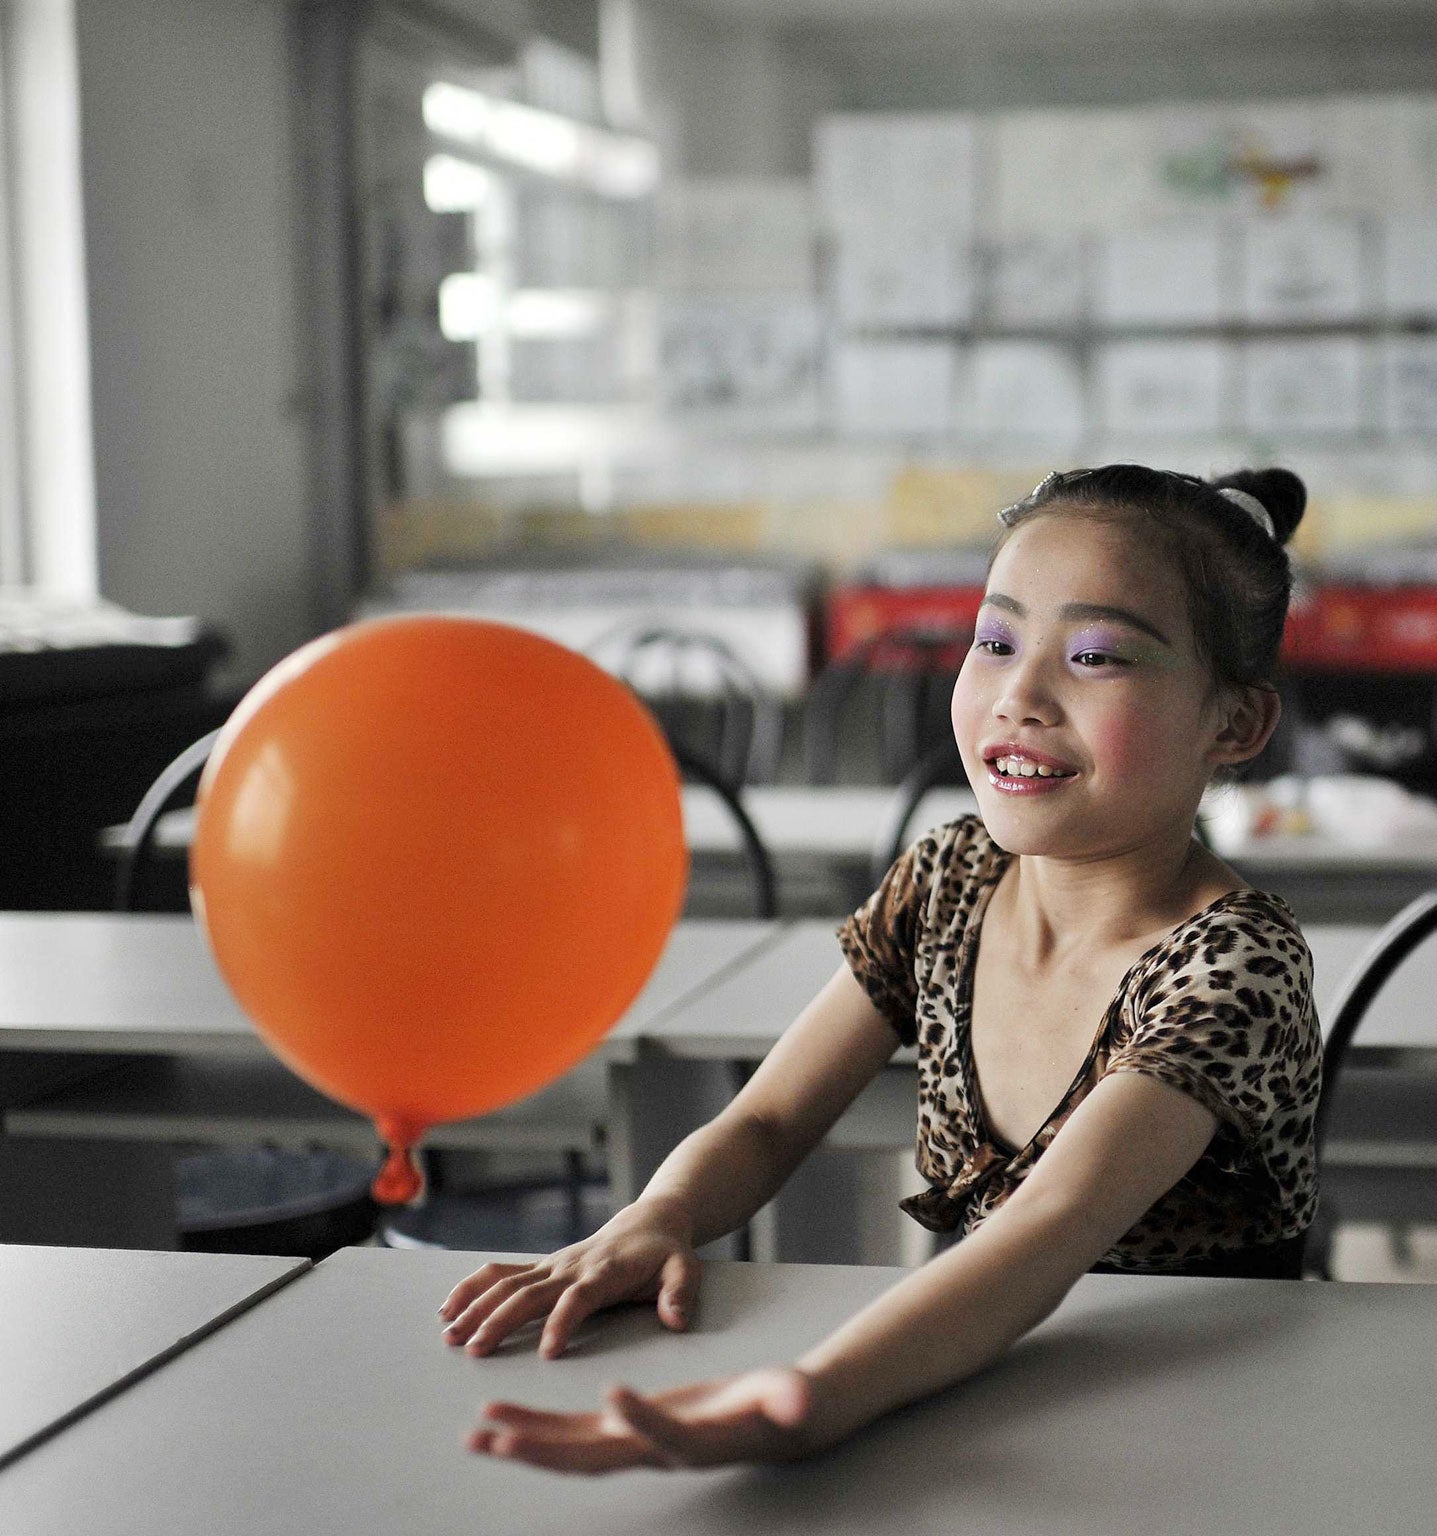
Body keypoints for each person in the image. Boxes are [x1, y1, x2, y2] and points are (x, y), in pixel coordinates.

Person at [441, 464, 1323, 1474]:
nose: (1019, 695)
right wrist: (656, 1217)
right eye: (994, 641)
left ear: (1234, 724)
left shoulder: (1231, 966)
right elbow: (768, 1120)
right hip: (970, 1395)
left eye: (1094, 657)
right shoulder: (950, 877)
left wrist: (808, 1397)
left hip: (1200, 1437)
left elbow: (1042, 1231)